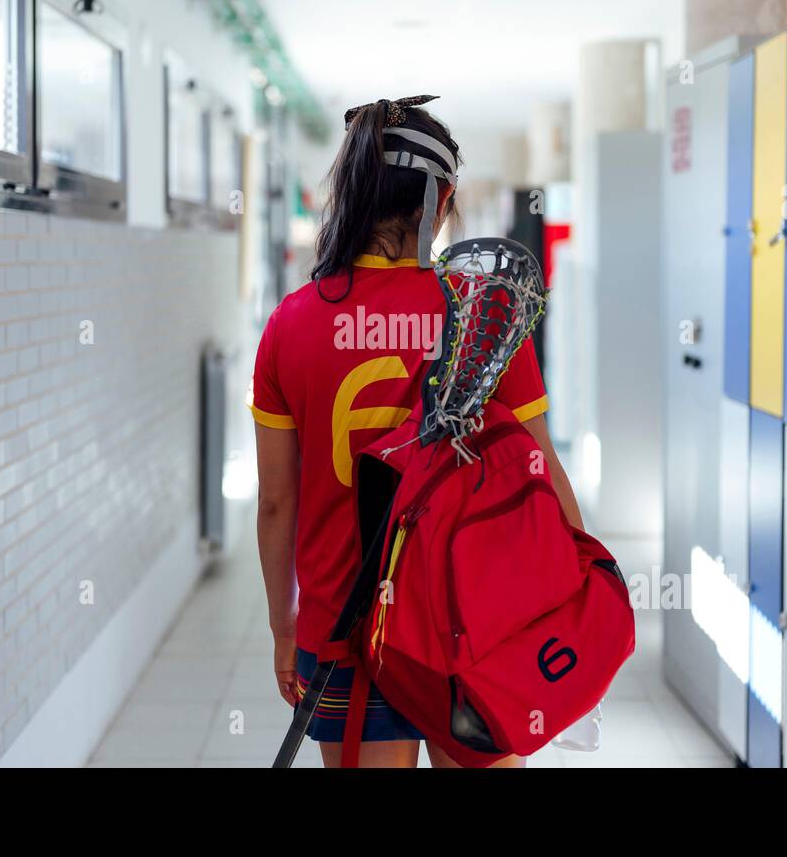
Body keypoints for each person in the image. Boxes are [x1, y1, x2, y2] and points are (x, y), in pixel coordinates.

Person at [250, 95, 583, 768]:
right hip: (472, 619)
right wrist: (577, 597)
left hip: (343, 625)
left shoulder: (292, 322)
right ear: (443, 196)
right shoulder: (479, 315)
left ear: (351, 193)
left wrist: (284, 628)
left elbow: (276, 500)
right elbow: (540, 466)